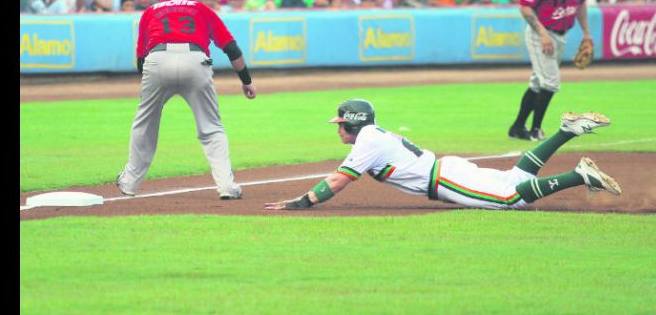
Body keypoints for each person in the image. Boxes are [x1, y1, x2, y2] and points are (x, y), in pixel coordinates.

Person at [265, 99, 621, 210]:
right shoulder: (372, 135)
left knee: (512, 198)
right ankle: (566, 131)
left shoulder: (367, 142)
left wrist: (303, 202)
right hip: (447, 169)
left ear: (354, 125)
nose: (337, 128)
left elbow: (338, 181)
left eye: (341, 123)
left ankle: (578, 176)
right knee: (515, 180)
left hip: (445, 178)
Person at [117, 0, 257, 199]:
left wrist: (152, 81)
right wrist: (246, 81)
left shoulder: (150, 11)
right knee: (211, 128)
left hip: (157, 60)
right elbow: (231, 48)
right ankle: (226, 187)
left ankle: (129, 183)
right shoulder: (202, 9)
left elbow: (140, 61)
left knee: (144, 124)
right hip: (195, 60)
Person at [508, 0, 590, 142]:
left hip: (562, 35)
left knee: (538, 83)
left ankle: (517, 127)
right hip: (541, 33)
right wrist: (543, 34)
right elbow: (525, 7)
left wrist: (587, 33)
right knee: (551, 83)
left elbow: (580, 3)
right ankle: (536, 129)